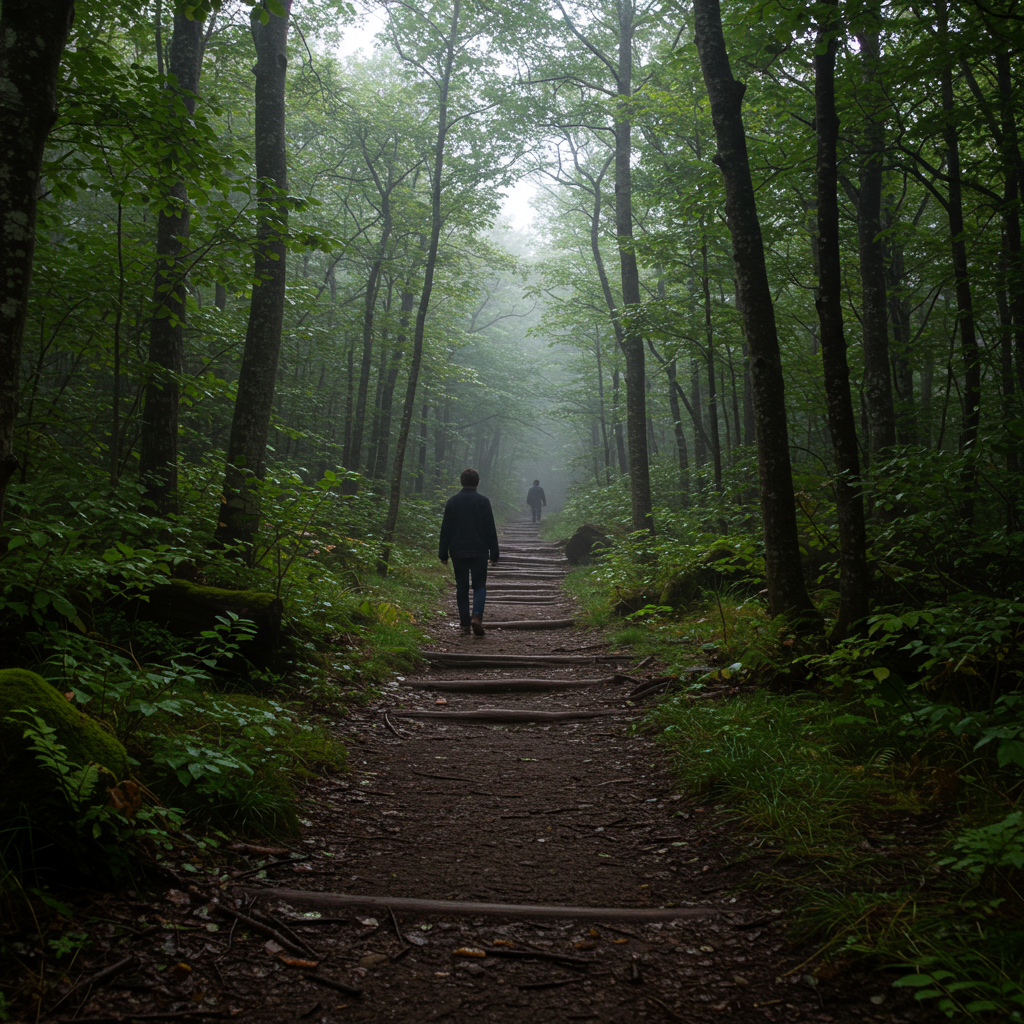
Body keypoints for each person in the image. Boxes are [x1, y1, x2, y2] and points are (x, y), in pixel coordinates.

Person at [438, 468, 499, 636]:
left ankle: (465, 623)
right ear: (477, 482)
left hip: (458, 551)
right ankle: (477, 617)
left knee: (462, 587)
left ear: (461, 482)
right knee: (479, 586)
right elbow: (490, 529)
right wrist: (494, 554)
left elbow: (445, 530)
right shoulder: (483, 501)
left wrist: (443, 554)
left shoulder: (452, 501)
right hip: (479, 550)